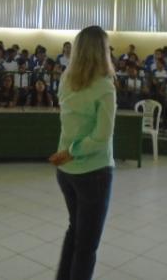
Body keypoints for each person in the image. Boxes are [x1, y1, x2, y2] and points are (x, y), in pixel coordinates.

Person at [49, 25, 116, 280]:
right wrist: (75, 151)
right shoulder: (104, 86)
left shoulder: (66, 78)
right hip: (94, 174)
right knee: (86, 247)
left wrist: (67, 153)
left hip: (66, 172)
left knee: (75, 232)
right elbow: (102, 137)